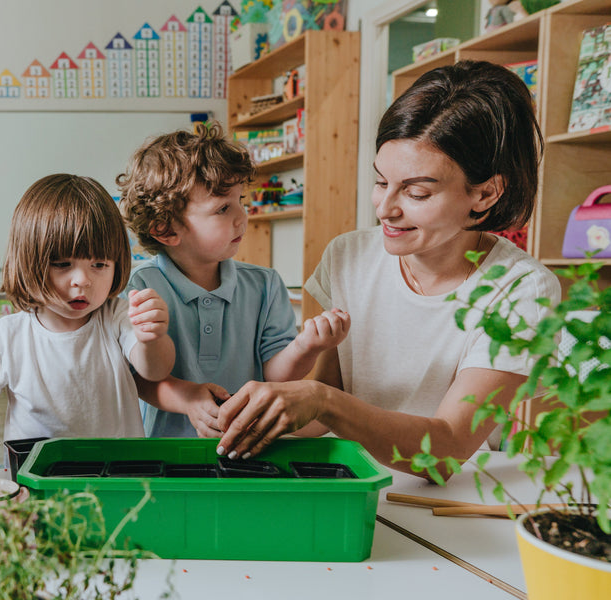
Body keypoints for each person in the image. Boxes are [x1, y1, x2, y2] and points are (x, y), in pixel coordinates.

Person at [216, 60, 561, 477]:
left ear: (486, 193)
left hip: (453, 500)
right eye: (381, 182)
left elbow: (445, 451)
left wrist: (321, 400)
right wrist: (250, 417)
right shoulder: (349, 257)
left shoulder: (522, 289)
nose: (385, 209)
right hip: (356, 482)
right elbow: (326, 402)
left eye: (416, 192)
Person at [116, 123, 350, 438]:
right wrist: (187, 398)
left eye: (241, 200)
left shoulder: (265, 285)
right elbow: (136, 378)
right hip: (166, 458)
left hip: (249, 446)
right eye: (223, 208)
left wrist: (307, 346)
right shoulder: (138, 290)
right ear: (166, 230)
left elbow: (275, 375)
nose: (242, 215)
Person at [0, 174, 174, 443]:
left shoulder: (117, 317)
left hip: (120, 478)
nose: (82, 280)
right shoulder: (6, 336)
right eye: (62, 264)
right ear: (28, 262)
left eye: (99, 265)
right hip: (38, 480)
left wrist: (151, 338)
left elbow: (155, 371)